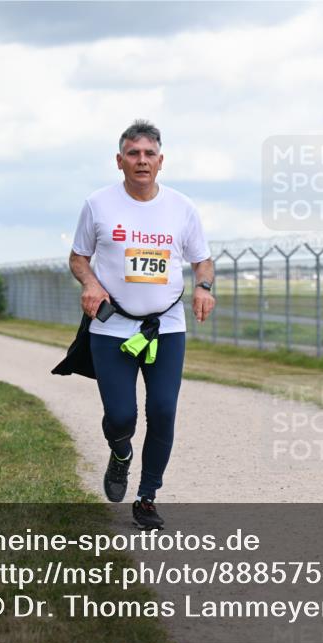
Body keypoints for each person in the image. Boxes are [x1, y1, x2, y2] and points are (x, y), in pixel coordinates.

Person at [56, 119, 215, 529]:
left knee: (162, 410)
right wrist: (90, 283)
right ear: (119, 161)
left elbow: (202, 259)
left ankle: (147, 496)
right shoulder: (98, 204)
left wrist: (205, 286)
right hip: (112, 328)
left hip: (166, 326)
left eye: (149, 154)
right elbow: (78, 257)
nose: (141, 161)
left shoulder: (182, 208)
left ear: (161, 161)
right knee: (122, 415)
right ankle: (120, 453)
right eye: (133, 154)